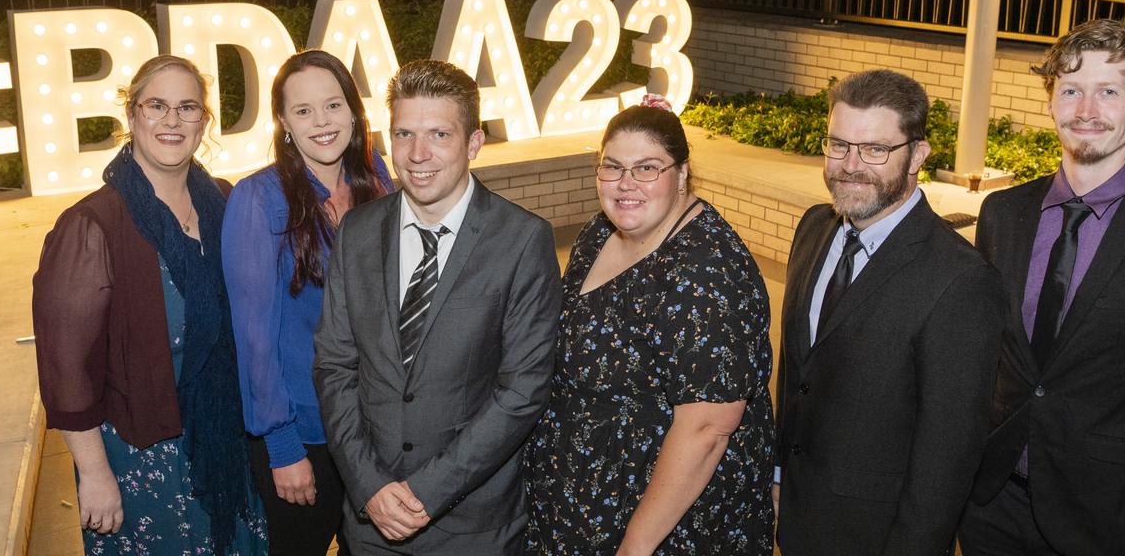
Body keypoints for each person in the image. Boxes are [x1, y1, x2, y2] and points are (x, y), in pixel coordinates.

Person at [958, 19, 1125, 556]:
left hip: (1101, 519)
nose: (1086, 111)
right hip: (989, 504)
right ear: (1051, 100)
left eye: (1109, 92)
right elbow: (982, 359)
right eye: (1071, 90)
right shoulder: (1002, 214)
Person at [312, 59, 562, 554]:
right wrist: (370, 487)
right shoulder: (356, 232)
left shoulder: (521, 239)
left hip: (471, 526)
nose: (418, 154)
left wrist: (426, 491)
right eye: (404, 134)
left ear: (473, 144)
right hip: (370, 522)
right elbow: (335, 367)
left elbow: (523, 390)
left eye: (439, 135)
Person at [32, 55, 267, 555]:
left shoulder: (223, 203)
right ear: (131, 114)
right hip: (142, 457)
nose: (172, 120)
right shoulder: (93, 225)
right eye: (156, 105)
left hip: (223, 441)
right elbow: (66, 367)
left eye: (187, 108)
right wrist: (94, 474)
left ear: (204, 121)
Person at [525, 94, 775, 555]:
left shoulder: (707, 271)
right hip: (579, 505)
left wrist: (635, 546)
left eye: (646, 168)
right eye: (612, 167)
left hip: (661, 526)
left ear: (681, 174)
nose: (625, 183)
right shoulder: (601, 231)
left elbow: (707, 428)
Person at [774, 68, 1007, 555]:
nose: (851, 165)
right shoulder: (814, 227)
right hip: (796, 514)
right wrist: (779, 475)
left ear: (917, 155)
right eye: (838, 144)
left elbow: (948, 452)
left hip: (878, 535)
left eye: (875, 150)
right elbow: (798, 373)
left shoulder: (961, 279)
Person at [223, 50, 394, 555]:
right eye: (303, 111)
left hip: (376, 429)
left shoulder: (377, 179)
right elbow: (254, 340)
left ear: (353, 112)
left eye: (333, 105)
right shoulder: (259, 198)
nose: (321, 122)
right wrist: (282, 446)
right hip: (306, 434)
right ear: (283, 122)